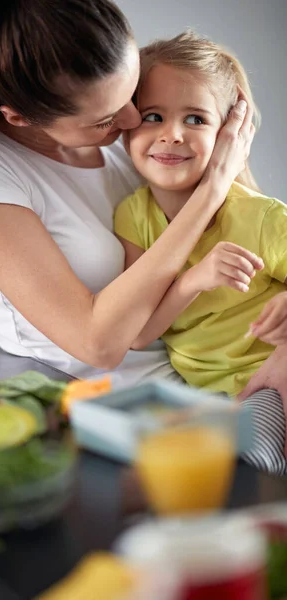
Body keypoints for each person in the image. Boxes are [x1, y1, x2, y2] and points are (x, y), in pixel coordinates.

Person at [0, 1, 285, 444]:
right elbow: (100, 345)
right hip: (118, 411)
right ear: (20, 116)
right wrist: (214, 185)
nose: (133, 120)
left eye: (131, 95)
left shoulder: (129, 140)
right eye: (105, 118)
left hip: (209, 383)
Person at [114, 31, 287, 474]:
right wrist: (193, 280)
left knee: (254, 463)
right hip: (207, 399)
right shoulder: (133, 217)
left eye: (195, 119)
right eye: (153, 115)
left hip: (271, 380)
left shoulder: (261, 217)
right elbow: (137, 332)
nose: (172, 135)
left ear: (229, 132)